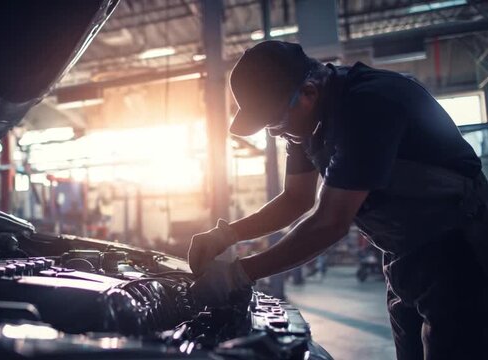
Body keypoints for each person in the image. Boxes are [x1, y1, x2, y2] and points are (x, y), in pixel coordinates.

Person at [188, 40, 488, 360]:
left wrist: (239, 274)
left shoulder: (369, 105)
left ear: (308, 92)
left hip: (459, 251)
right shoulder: (304, 124)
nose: (275, 133)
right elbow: (295, 199)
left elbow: (330, 223)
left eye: (275, 122)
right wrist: (227, 234)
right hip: (403, 257)